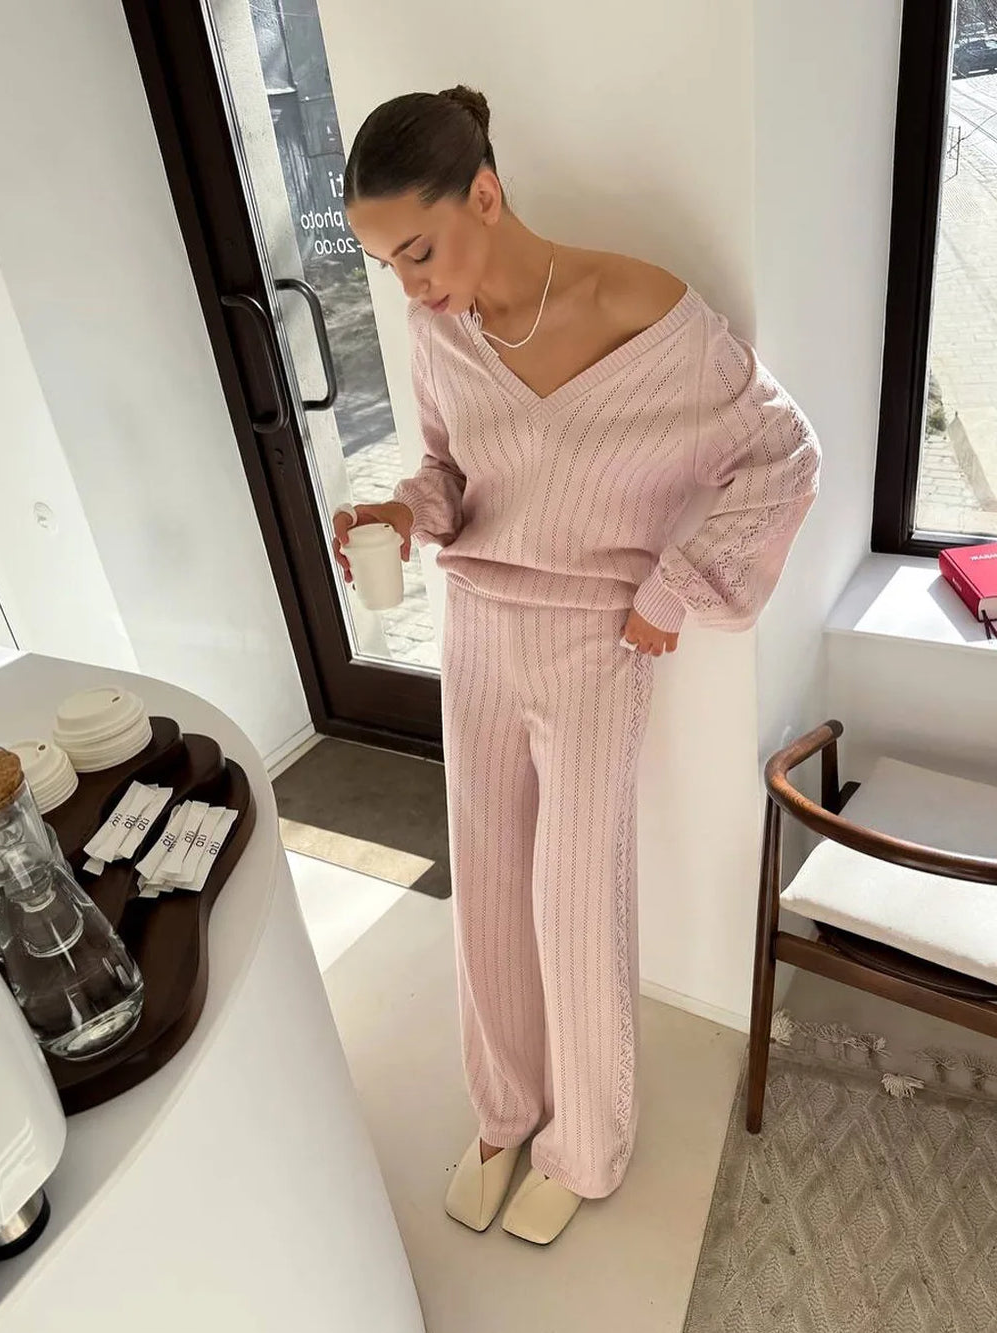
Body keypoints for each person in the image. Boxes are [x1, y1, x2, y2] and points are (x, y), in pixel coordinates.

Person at [333, 85, 820, 1246]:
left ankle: (586, 1146)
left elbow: (781, 456)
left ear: (485, 196)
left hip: (598, 643)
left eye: (418, 252)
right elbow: (451, 472)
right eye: (386, 265)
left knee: (572, 902)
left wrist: (674, 592)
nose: (410, 286)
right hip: (477, 630)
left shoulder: (642, 310)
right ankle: (503, 1113)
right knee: (489, 887)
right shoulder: (439, 330)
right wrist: (404, 515)